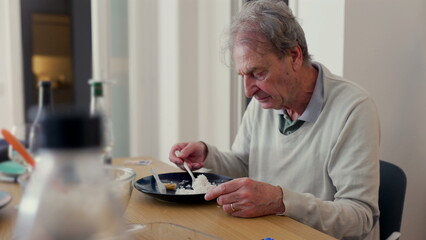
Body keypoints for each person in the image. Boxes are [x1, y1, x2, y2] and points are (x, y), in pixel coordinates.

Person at [169, 0, 380, 239]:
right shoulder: (268, 99)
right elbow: (245, 165)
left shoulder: (353, 109)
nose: (248, 90)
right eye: (243, 75)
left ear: (294, 56)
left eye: (258, 73)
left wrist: (280, 201)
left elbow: (360, 218)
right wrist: (209, 155)